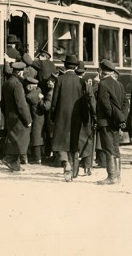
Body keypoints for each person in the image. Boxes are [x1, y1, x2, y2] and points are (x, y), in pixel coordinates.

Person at [50, 54, 86, 182]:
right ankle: (74, 172)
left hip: (62, 115)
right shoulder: (80, 81)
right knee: (74, 142)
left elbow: (54, 101)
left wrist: (53, 115)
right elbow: (84, 101)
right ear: (76, 67)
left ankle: (66, 163)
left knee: (60, 142)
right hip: (76, 116)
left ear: (65, 66)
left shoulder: (60, 80)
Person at [95, 59, 127, 185]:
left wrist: (112, 117)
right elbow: (125, 103)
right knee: (115, 148)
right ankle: (118, 176)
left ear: (102, 70)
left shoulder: (103, 84)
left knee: (108, 149)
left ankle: (111, 177)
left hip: (106, 122)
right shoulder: (119, 84)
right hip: (116, 122)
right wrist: (121, 118)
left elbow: (105, 105)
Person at [1, 61, 32, 173]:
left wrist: (7, 114)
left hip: (10, 116)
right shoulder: (17, 85)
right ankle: (9, 159)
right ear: (19, 73)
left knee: (14, 139)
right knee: (21, 140)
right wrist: (27, 120)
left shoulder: (7, 83)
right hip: (18, 118)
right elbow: (21, 105)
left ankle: (16, 165)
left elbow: (2, 103)